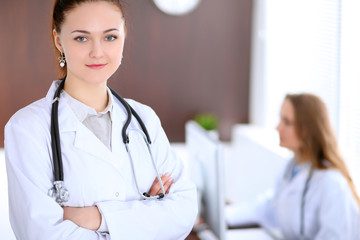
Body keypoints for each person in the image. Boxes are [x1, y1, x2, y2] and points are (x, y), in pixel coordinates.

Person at [4, 0, 197, 239]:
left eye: (110, 37)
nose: (97, 52)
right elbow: (41, 233)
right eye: (81, 38)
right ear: (58, 40)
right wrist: (148, 216)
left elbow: (184, 211)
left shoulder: (144, 119)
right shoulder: (27, 129)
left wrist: (98, 217)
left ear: (124, 36)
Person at [226, 93, 360, 239]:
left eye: (287, 122)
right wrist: (224, 216)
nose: (278, 128)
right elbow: (268, 207)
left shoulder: (332, 183)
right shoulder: (293, 167)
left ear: (307, 130)